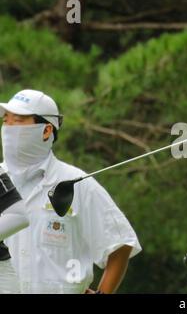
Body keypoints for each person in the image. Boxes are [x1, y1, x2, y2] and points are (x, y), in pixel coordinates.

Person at [0, 89, 142, 294]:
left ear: (46, 131)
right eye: (6, 121)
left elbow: (120, 243)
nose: (9, 128)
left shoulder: (78, 183)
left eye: (19, 120)